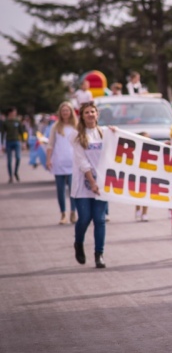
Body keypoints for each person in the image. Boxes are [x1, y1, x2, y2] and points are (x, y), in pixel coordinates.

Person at [71, 102, 111, 269]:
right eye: (86, 112)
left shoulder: (105, 133)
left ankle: (99, 254)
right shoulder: (77, 136)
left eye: (92, 112)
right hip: (83, 185)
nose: (90, 115)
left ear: (97, 114)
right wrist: (92, 182)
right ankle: (78, 242)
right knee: (85, 218)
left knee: (100, 220)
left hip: (102, 184)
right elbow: (82, 162)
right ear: (82, 115)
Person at [46, 102, 78, 225]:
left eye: (67, 110)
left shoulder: (76, 125)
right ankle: (63, 213)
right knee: (60, 190)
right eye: (63, 111)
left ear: (71, 112)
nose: (65, 113)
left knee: (73, 189)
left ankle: (73, 212)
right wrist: (49, 159)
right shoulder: (56, 127)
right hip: (59, 161)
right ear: (60, 112)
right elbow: (50, 144)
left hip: (73, 162)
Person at [2, 107, 23, 183]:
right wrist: (2, 144)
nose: (15, 113)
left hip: (17, 141)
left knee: (18, 158)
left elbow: (21, 131)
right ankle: (10, 176)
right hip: (8, 142)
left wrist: (24, 142)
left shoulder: (17, 121)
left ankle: (15, 172)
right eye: (14, 112)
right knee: (9, 160)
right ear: (10, 113)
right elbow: (3, 133)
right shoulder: (5, 122)